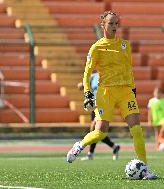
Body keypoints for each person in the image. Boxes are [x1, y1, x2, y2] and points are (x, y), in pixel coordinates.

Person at [66, 10, 158, 180]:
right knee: (101, 132)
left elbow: (129, 69)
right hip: (105, 92)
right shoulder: (96, 47)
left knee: (137, 129)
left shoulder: (125, 45)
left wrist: (133, 88)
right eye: (111, 23)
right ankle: (79, 145)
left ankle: (145, 169)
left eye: (117, 23)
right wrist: (87, 92)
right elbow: (87, 73)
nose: (115, 26)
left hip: (125, 91)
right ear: (103, 25)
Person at [77, 71, 120, 161]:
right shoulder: (93, 76)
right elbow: (82, 85)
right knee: (97, 131)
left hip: (104, 105)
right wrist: (81, 85)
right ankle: (113, 146)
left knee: (94, 129)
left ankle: (90, 154)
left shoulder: (108, 75)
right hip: (95, 105)